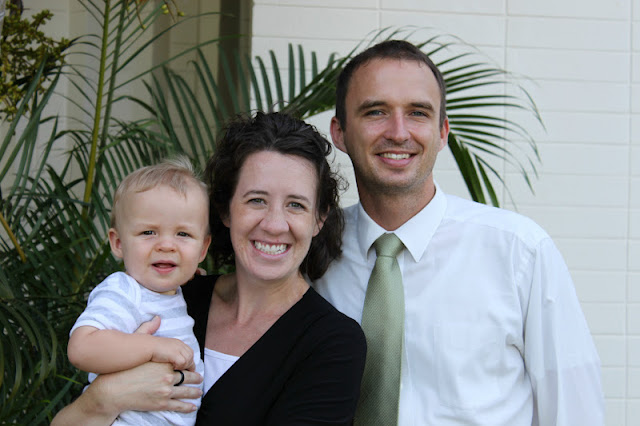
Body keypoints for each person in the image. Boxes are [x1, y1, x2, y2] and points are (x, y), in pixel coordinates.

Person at [313, 39, 605, 425]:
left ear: (442, 132)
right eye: (376, 111)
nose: (398, 132)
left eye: (418, 113)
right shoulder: (313, 250)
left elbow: (575, 412)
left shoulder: (519, 252)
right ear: (339, 132)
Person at [52, 111, 367, 425]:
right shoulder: (170, 295)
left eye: (296, 205)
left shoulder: (332, 344)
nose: (274, 224)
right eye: (256, 200)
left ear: (319, 218)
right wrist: (107, 397)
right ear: (225, 210)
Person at [66, 157, 211, 425]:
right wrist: (153, 347)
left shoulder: (172, 291)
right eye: (148, 232)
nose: (166, 245)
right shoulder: (124, 290)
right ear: (118, 243)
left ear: (202, 249)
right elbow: (81, 348)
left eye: (183, 234)